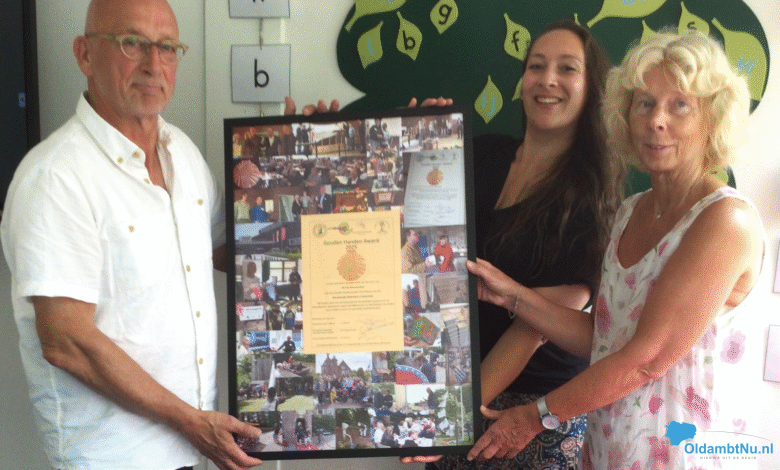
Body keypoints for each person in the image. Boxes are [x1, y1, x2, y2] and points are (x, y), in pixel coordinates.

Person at [466, 31, 762, 469]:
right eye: (644, 103)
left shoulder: (724, 220)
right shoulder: (629, 212)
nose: (656, 120)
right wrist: (512, 295)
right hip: (609, 451)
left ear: (712, 118)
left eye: (679, 105)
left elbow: (645, 360)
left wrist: (535, 416)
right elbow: (604, 338)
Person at [0, 0, 265, 469]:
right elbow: (66, 341)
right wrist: (189, 421)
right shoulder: (55, 177)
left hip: (189, 448)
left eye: (167, 47)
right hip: (114, 458)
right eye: (132, 43)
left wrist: (294, 172)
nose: (153, 64)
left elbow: (226, 252)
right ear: (84, 55)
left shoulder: (182, 153)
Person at [406, 20, 623, 469]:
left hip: (527, 414)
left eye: (567, 68)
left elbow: (533, 330)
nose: (547, 79)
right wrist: (416, 141)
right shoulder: (482, 153)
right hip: (452, 384)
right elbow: (412, 225)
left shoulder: (592, 198)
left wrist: (449, 417)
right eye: (536, 66)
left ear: (591, 89)